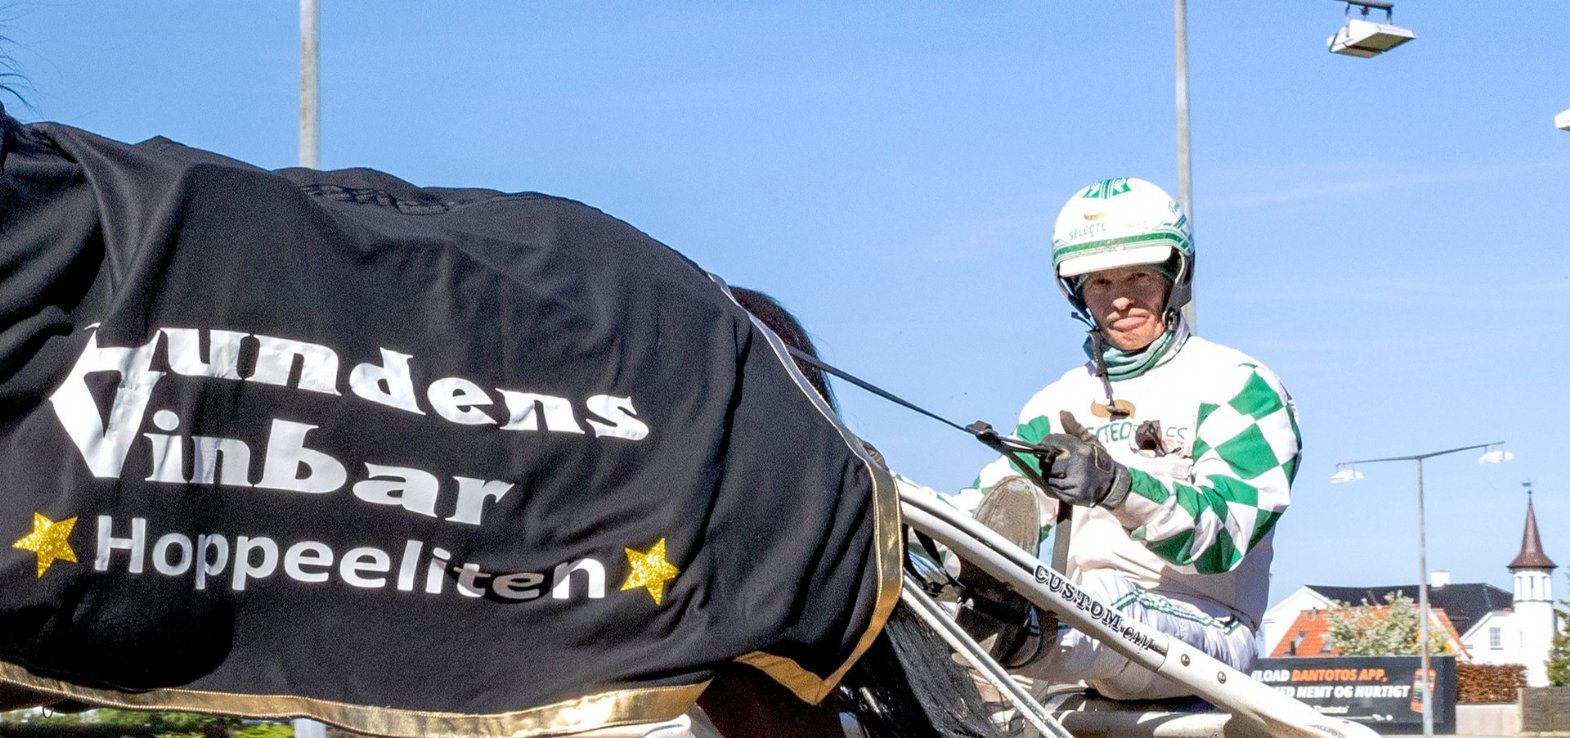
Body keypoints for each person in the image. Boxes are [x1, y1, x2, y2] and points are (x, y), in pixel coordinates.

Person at [947, 177, 1300, 700]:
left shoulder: (1239, 386)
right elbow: (985, 514)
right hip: (1082, 631)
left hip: (1208, 632)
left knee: (1100, 601)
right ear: (1078, 291)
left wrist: (1116, 485)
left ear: (1175, 276)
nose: (1121, 301)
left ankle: (1019, 634)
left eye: (1138, 276)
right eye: (1100, 284)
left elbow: (1225, 536)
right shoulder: (1054, 404)